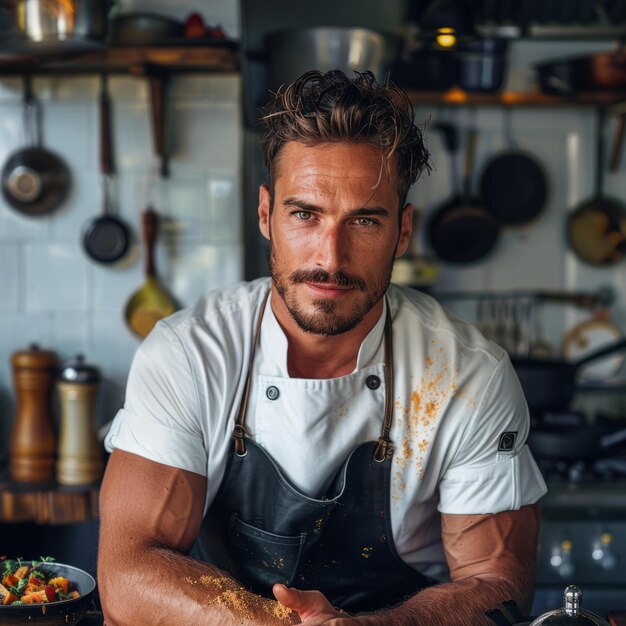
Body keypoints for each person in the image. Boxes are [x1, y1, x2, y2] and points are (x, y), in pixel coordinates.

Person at [98, 69, 547, 626]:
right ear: (266, 215)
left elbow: (497, 586)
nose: (330, 258)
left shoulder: (466, 377)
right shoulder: (190, 356)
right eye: (305, 215)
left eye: (363, 219)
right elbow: (127, 572)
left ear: (402, 231)